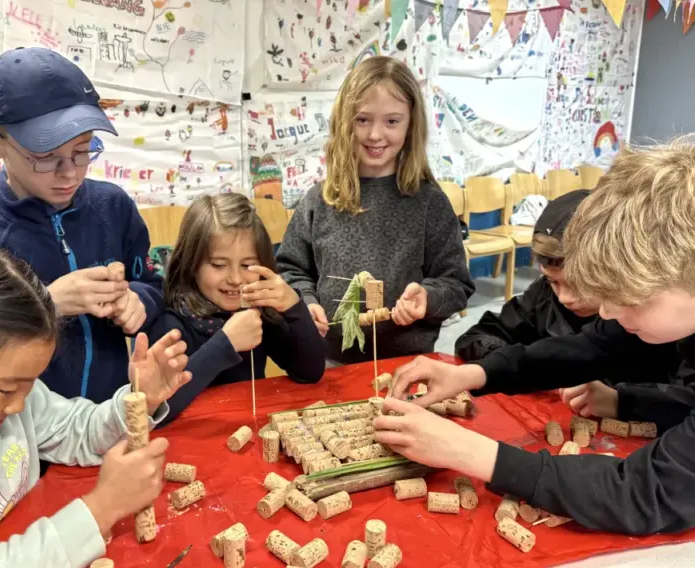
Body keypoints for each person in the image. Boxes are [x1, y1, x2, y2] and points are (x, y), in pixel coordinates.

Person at [374, 140, 695, 535]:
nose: (606, 312)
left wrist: (472, 452)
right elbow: (589, 348)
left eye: (628, 298)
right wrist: (471, 375)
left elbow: (648, 493)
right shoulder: (670, 304)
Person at [0, 47, 164, 403]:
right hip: (8, 427)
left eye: (82, 150)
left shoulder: (113, 207)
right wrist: (44, 303)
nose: (69, 173)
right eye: (46, 157)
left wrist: (138, 301)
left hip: (108, 415)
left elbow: (153, 285)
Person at [0, 248, 191, 567]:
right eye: (6, 389)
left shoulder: (16, 402)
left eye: (30, 384)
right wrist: (101, 508)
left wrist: (140, 400)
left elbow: (76, 430)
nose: (19, 405)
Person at [276, 56, 474, 364]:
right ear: (344, 122)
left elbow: (456, 283)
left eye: (392, 121)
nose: (375, 135)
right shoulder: (319, 200)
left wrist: (428, 297)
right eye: (362, 120)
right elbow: (291, 269)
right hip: (331, 361)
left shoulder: (430, 203)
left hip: (407, 361)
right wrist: (305, 302)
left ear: (410, 125)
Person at [148, 194, 325, 423]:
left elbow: (309, 372)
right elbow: (158, 410)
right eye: (219, 265)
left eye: (247, 265)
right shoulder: (170, 323)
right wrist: (226, 344)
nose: (235, 279)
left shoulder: (256, 311)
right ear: (191, 264)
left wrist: (294, 307)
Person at [455, 190, 597, 362]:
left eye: (577, 283)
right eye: (553, 281)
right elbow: (479, 336)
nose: (564, 298)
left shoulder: (626, 321)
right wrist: (510, 362)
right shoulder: (543, 295)